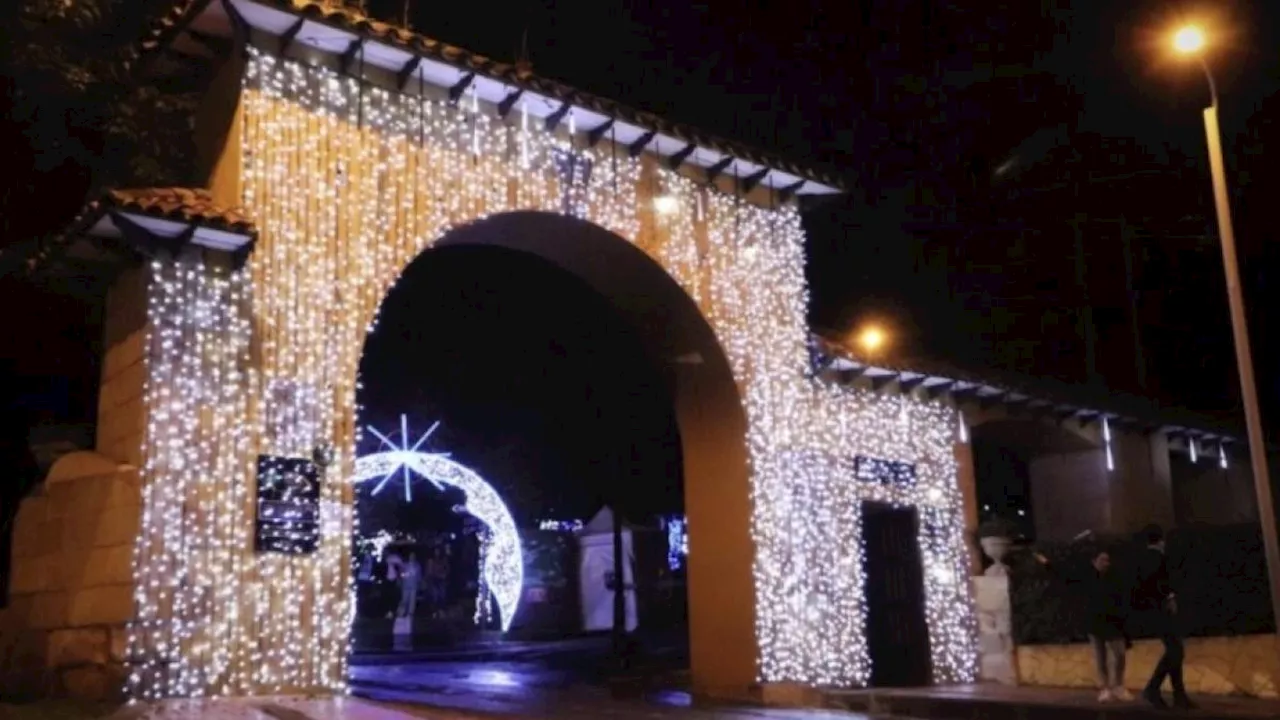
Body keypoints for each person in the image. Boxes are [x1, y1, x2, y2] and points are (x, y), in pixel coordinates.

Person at [1036, 549, 1132, 702]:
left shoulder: (1115, 577)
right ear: (1094, 562)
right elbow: (1065, 576)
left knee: (1120, 654)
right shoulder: (1086, 577)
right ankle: (1105, 688)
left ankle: (1118, 686)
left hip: (1113, 622)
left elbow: (1123, 598)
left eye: (1107, 560)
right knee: (1100, 657)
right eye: (1102, 560)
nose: (1106, 563)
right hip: (1094, 622)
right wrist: (1048, 564)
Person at [1134, 524, 1194, 710]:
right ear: (1161, 541)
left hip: (1152, 612)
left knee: (1174, 650)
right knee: (1176, 650)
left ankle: (1179, 695)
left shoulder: (1143, 559)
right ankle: (1153, 688)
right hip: (1161, 611)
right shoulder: (1157, 558)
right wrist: (1169, 596)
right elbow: (1159, 582)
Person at [397, 551, 421, 619]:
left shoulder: (417, 565)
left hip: (414, 586)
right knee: (404, 600)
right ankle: (401, 613)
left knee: (412, 600)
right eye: (411, 555)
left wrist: (419, 583)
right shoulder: (405, 565)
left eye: (413, 556)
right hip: (405, 585)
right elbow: (401, 574)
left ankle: (410, 614)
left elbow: (419, 576)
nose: (412, 557)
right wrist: (405, 575)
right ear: (409, 556)